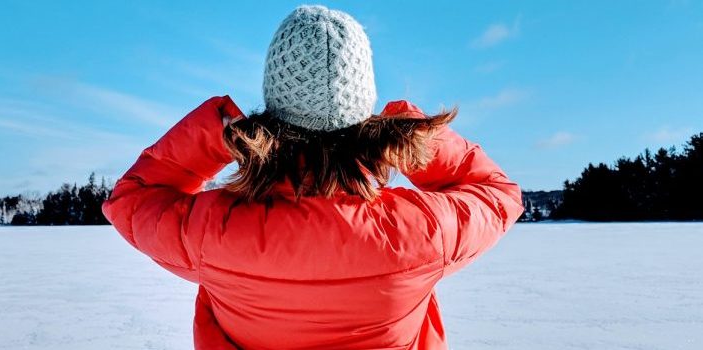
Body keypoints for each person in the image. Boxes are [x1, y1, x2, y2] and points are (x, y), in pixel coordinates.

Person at [102, 5, 523, 349]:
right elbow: (498, 194)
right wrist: (412, 133)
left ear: (272, 105)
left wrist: (219, 132)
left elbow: (133, 200)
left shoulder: (215, 231)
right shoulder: (423, 233)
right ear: (365, 113)